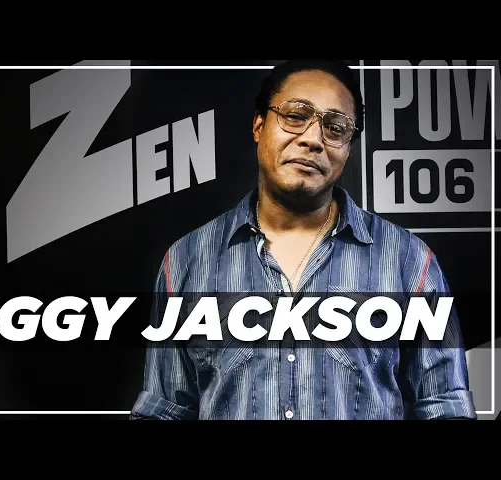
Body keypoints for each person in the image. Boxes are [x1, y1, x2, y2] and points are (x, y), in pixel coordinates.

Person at [129, 59, 477, 420]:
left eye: (335, 128)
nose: (312, 139)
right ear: (259, 125)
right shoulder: (188, 260)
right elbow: (165, 410)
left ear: (348, 149)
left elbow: (445, 407)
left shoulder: (408, 262)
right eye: (295, 116)